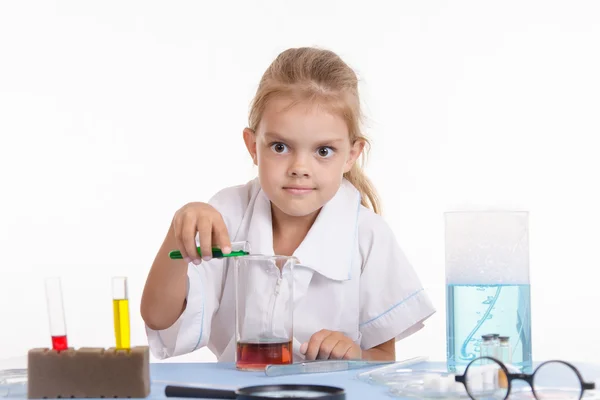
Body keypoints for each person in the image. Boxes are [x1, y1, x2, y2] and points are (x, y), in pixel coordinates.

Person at [140, 47, 435, 362]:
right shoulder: (226, 214)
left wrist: (353, 355)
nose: (300, 167)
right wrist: (180, 232)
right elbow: (160, 319)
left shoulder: (368, 236)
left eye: (323, 151)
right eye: (280, 147)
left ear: (351, 154)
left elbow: (383, 356)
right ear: (253, 147)